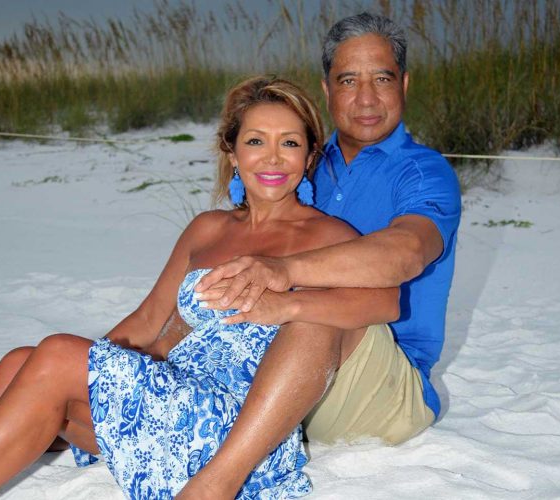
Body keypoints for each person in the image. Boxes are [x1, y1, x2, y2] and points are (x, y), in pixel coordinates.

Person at [0, 76, 401, 499]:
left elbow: (384, 301)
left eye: (289, 143)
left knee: (56, 356)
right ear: (232, 152)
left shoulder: (330, 236)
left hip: (235, 431)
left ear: (308, 157)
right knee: (27, 361)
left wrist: (286, 305)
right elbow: (149, 319)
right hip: (169, 403)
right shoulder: (207, 229)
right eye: (255, 141)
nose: (272, 158)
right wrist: (89, 370)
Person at [181, 12, 461, 498]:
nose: (367, 98)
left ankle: (216, 486)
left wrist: (285, 273)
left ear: (405, 84)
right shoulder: (299, 158)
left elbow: (406, 253)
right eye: (349, 80)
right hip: (280, 374)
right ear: (326, 89)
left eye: (382, 79)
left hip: (379, 386)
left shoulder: (424, 173)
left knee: (314, 314)